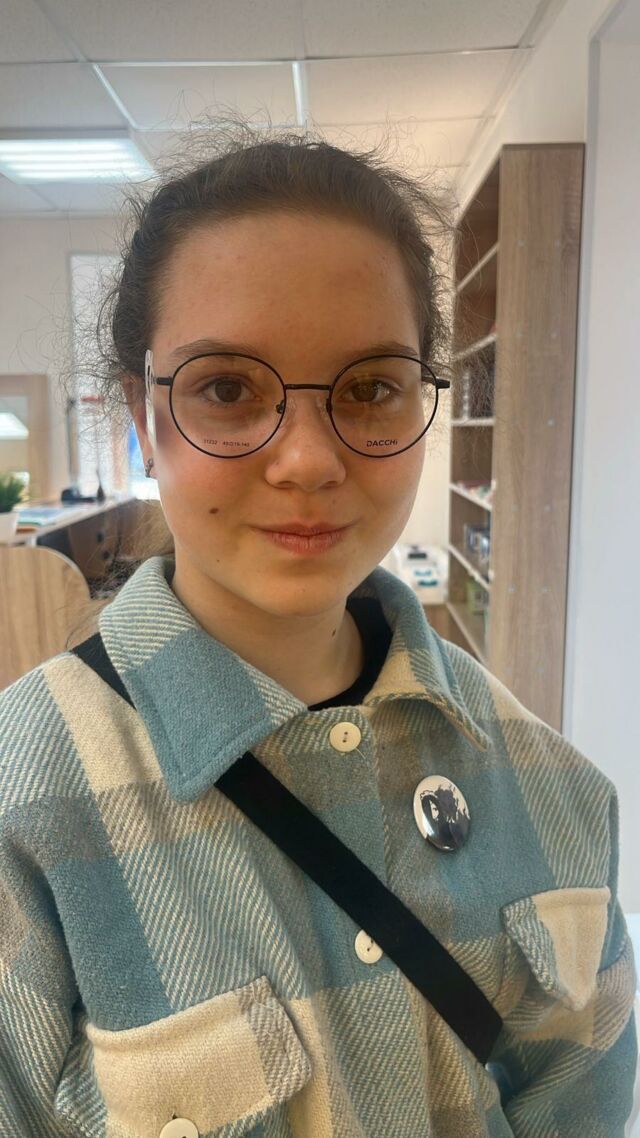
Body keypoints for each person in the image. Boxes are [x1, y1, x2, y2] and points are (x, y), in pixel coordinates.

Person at [0, 120, 636, 1138]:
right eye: (226, 389)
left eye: (370, 387)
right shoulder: (25, 810)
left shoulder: (551, 787)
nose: (305, 461)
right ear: (143, 417)